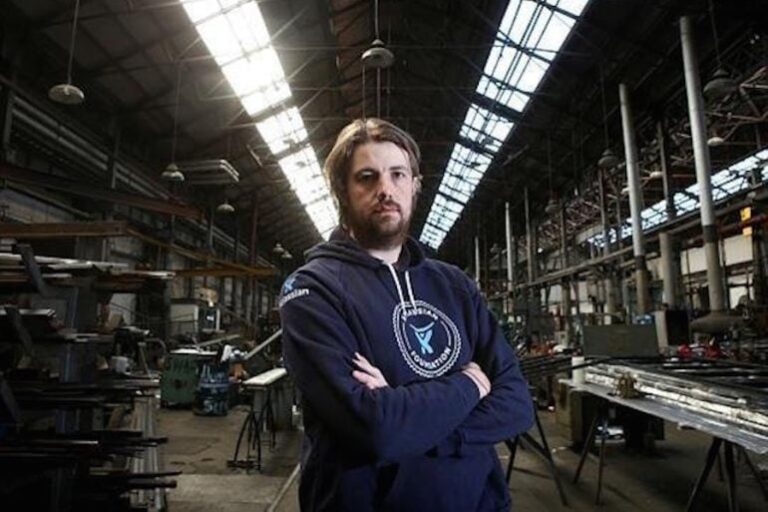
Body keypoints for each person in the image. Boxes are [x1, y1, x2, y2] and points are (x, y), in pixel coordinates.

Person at [280, 118, 534, 511]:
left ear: (414, 185)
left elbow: (517, 404)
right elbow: (376, 429)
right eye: (367, 177)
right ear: (342, 192)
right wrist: (469, 386)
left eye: (398, 174)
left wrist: (412, 421)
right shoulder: (312, 290)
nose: (385, 189)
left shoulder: (454, 286)